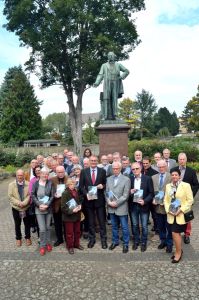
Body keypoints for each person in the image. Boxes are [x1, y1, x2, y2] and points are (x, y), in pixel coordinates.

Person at [164, 169, 194, 263]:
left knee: (175, 233)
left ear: (179, 176)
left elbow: (190, 200)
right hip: (171, 215)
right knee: (175, 234)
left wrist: (180, 210)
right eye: (172, 175)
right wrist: (168, 210)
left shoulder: (186, 185)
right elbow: (166, 200)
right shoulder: (168, 186)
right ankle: (179, 250)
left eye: (176, 175)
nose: (174, 176)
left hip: (181, 215)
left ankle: (178, 253)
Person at [79, 155, 107, 249]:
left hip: (99, 200)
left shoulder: (102, 171)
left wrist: (102, 186)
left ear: (97, 161)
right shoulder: (84, 171)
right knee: (90, 222)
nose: (94, 162)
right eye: (92, 160)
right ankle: (92, 239)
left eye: (95, 160)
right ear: (89, 162)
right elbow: (81, 186)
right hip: (89, 201)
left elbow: (105, 184)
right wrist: (86, 194)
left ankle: (103, 240)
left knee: (101, 222)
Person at [171, 152, 199, 244]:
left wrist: (190, 195)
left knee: (187, 217)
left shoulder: (191, 171)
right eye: (180, 159)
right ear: (178, 160)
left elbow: (196, 185)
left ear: (186, 160)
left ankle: (187, 234)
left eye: (183, 159)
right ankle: (176, 233)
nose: (182, 161)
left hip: (186, 200)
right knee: (175, 215)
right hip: (175, 199)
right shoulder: (173, 170)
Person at [94, 52, 129, 120]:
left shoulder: (118, 65)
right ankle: (105, 116)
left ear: (114, 57)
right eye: (109, 56)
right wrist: (97, 82)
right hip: (107, 83)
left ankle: (115, 115)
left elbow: (126, 71)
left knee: (114, 99)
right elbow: (100, 74)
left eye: (111, 56)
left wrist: (122, 76)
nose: (110, 57)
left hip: (115, 83)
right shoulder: (104, 65)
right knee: (106, 99)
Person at [106, 161, 131, 253]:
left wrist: (116, 203)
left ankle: (125, 244)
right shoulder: (109, 179)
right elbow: (107, 192)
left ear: (120, 169)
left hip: (121, 207)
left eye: (117, 168)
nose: (115, 170)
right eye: (114, 168)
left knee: (124, 227)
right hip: (111, 207)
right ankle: (115, 241)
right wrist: (108, 201)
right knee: (114, 226)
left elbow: (125, 195)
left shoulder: (126, 179)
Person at [130, 162, 154, 252]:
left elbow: (151, 193)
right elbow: (127, 192)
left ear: (140, 169)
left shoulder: (147, 179)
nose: (135, 170)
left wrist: (145, 201)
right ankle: (136, 241)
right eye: (133, 169)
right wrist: (130, 192)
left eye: (137, 168)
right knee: (135, 225)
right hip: (133, 206)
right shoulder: (130, 179)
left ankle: (143, 242)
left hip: (144, 206)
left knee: (144, 226)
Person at [32, 168, 54, 255]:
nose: (45, 176)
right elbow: (33, 195)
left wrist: (47, 205)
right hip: (39, 209)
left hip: (48, 209)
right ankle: (42, 245)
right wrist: (39, 205)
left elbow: (52, 196)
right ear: (40, 174)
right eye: (44, 174)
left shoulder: (50, 183)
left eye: (47, 174)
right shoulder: (36, 184)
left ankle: (48, 243)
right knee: (42, 229)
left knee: (48, 227)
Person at [152, 160, 172, 253]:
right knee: (160, 226)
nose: (161, 168)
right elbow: (151, 191)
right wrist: (153, 199)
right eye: (159, 167)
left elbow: (174, 192)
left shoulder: (171, 176)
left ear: (166, 166)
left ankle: (169, 244)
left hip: (167, 208)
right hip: (157, 207)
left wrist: (166, 201)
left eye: (163, 166)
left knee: (169, 227)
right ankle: (163, 241)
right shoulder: (153, 177)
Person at [8, 169, 32, 247]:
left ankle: (28, 237)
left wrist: (24, 203)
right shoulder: (11, 185)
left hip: (26, 207)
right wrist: (18, 203)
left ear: (24, 175)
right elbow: (10, 196)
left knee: (27, 224)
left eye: (21, 175)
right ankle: (18, 238)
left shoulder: (28, 184)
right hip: (16, 208)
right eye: (18, 175)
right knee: (17, 224)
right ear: (16, 175)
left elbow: (29, 195)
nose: (20, 176)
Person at [61, 179, 83, 254]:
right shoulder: (65, 193)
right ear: (68, 185)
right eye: (71, 184)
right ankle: (70, 246)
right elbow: (63, 207)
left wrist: (80, 205)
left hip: (77, 216)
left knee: (77, 231)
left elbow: (78, 201)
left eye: (74, 184)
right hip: (69, 217)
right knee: (69, 233)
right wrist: (72, 211)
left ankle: (76, 244)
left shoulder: (76, 191)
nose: (73, 185)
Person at [51, 166, 68, 247]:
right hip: (56, 206)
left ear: (64, 171)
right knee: (57, 224)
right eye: (59, 172)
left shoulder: (69, 179)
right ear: (56, 172)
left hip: (66, 206)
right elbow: (49, 192)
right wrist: (54, 195)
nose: (60, 174)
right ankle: (59, 239)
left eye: (62, 172)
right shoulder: (52, 180)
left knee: (66, 224)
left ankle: (68, 239)